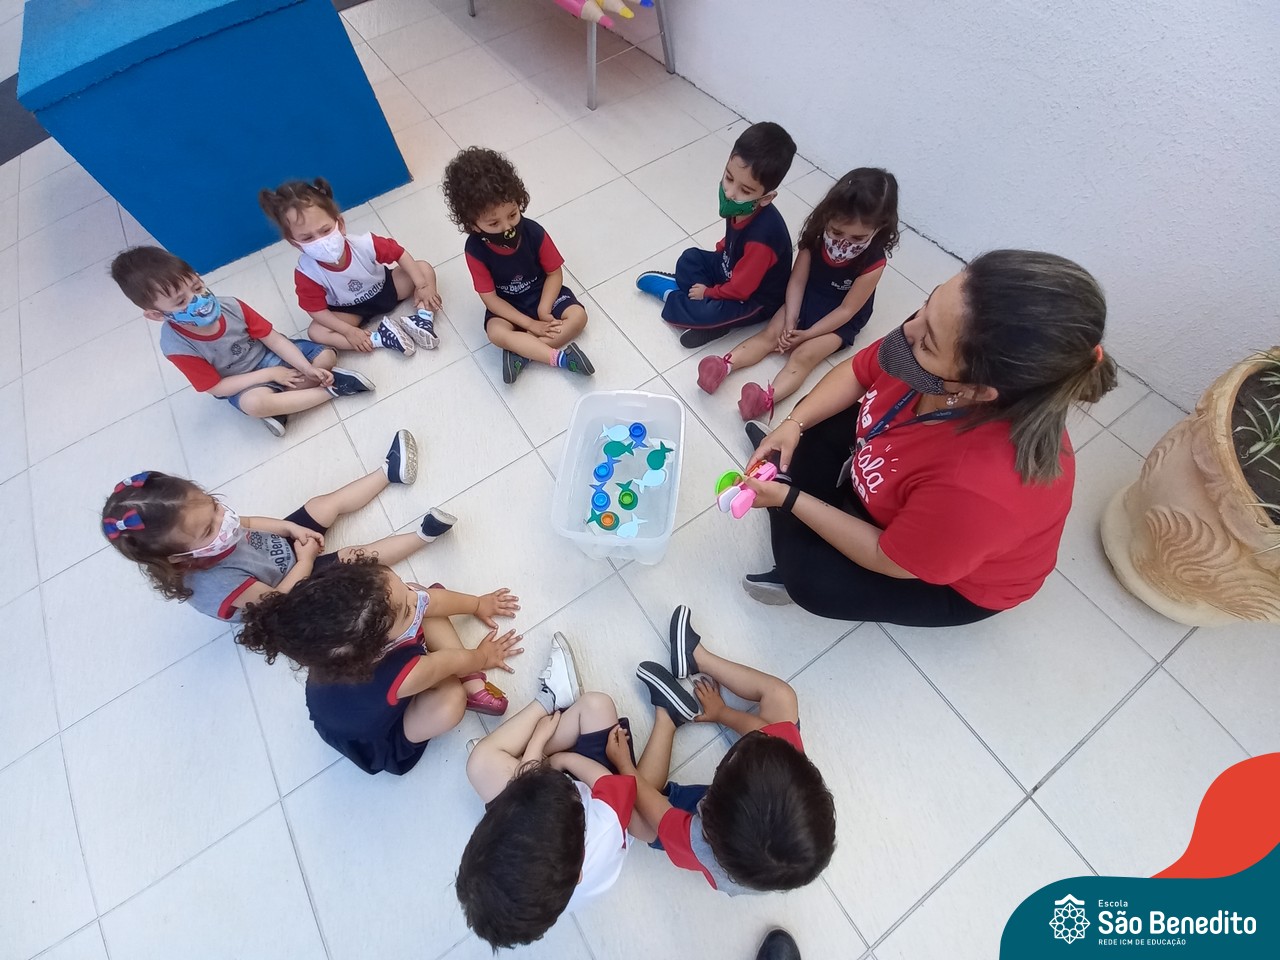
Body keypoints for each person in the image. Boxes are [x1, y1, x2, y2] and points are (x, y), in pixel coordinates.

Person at [739, 249, 1117, 625]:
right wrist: (793, 424)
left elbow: (886, 557)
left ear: (977, 389)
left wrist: (789, 499)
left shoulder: (981, 490)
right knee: (815, 422)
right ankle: (790, 487)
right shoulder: (935, 344)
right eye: (927, 303)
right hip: (910, 482)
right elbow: (859, 371)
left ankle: (781, 499)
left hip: (945, 578)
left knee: (811, 582)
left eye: (927, 343)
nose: (909, 330)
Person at [99, 432, 455, 622]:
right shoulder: (215, 584)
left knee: (321, 505)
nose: (225, 521)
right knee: (352, 558)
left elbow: (249, 523)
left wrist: (289, 528)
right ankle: (423, 535)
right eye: (209, 529)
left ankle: (387, 472)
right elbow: (278, 600)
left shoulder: (214, 526)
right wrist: (305, 560)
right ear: (178, 558)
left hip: (282, 551)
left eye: (215, 505)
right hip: (288, 590)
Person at [619, 606, 835, 895]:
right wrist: (721, 713)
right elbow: (760, 733)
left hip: (711, 830)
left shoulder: (701, 841)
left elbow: (662, 816)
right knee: (782, 697)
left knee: (636, 821)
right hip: (739, 815)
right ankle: (696, 658)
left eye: (731, 761)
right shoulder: (785, 764)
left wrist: (626, 768)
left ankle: (667, 718)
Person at [237, 558, 523, 775]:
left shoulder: (338, 642)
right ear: (373, 649)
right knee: (450, 702)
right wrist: (482, 657)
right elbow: (452, 661)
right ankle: (470, 683)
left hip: (351, 705)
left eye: (401, 586)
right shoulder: (403, 674)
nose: (414, 595)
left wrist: (478, 604)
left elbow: (427, 600)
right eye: (407, 607)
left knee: (425, 604)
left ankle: (453, 671)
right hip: (382, 736)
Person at [457, 634, 648, 948]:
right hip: (593, 786)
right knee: (597, 705)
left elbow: (526, 793)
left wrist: (539, 751)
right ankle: (548, 703)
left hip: (555, 787)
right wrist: (557, 758)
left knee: (480, 764)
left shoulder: (543, 895)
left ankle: (540, 718)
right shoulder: (606, 825)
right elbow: (605, 781)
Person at [698, 168, 900, 422]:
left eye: (858, 238)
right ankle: (724, 365)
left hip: (838, 319)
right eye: (837, 232)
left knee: (804, 356)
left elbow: (848, 310)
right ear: (827, 217)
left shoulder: (874, 262)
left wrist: (807, 334)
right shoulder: (815, 236)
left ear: (879, 229)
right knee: (771, 334)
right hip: (805, 296)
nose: (844, 243)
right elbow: (797, 280)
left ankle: (766, 399)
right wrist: (791, 320)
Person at [111, 246, 374, 437]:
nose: (198, 300)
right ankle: (332, 390)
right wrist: (271, 375)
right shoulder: (176, 346)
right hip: (242, 381)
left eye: (197, 287)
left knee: (325, 357)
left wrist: (306, 368)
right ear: (157, 315)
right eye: (180, 301)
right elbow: (216, 387)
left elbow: (273, 339)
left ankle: (283, 405)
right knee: (254, 404)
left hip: (271, 355)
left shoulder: (231, 306)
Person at [635, 121, 796, 349]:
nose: (730, 193)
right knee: (690, 258)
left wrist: (709, 292)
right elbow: (732, 240)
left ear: (766, 198)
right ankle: (702, 308)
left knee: (708, 312)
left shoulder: (763, 239)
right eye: (729, 178)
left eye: (745, 190)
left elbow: (741, 289)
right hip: (733, 271)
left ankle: (673, 296)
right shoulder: (739, 205)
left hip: (753, 297)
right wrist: (721, 252)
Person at [440, 146, 594, 384]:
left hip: (544, 294)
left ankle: (523, 354)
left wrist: (543, 311)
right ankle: (561, 359)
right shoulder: (474, 250)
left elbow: (554, 273)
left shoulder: (534, 232)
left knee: (578, 317)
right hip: (507, 305)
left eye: (512, 215)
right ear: (472, 224)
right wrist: (530, 324)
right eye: (493, 224)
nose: (507, 228)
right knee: (496, 333)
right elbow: (491, 299)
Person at [259, 177, 442, 358]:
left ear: (340, 224)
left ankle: (423, 319)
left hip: (385, 288)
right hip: (351, 312)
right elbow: (315, 310)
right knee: (316, 332)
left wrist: (422, 286)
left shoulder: (364, 244)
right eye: (307, 238)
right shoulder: (307, 273)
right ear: (295, 243)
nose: (321, 241)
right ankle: (381, 339)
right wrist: (348, 331)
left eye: (325, 230)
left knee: (423, 269)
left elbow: (400, 254)